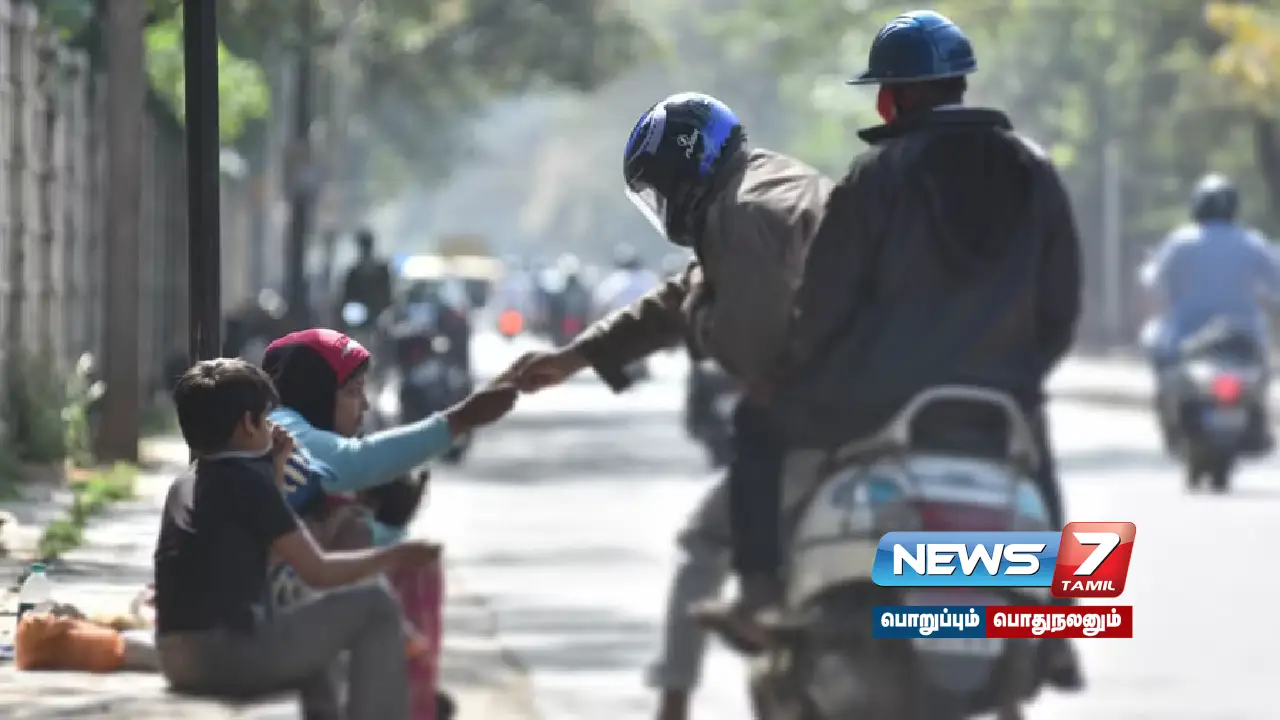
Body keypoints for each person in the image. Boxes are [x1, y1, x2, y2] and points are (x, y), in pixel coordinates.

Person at [767, 9, 1082, 687]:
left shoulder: (875, 177)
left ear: (897, 95)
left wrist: (803, 369)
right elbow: (1061, 307)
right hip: (1001, 398)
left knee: (766, 435)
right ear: (960, 84)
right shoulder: (1034, 171)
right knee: (1036, 463)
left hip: (876, 400)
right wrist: (1018, 373)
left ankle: (775, 599)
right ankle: (1056, 625)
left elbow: (824, 307)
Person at [498, 91, 831, 720]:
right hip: (883, 389)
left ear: (685, 170)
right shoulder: (774, 179)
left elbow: (745, 337)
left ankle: (676, 700)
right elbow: (685, 294)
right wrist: (577, 357)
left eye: (660, 188)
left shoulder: (741, 213)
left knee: (707, 538)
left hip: (821, 415)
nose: (664, 206)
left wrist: (704, 331)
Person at [154, 357, 439, 719]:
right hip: (226, 655)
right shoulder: (247, 482)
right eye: (266, 417)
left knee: (317, 660)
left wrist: (277, 465)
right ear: (247, 423)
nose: (274, 428)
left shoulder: (187, 482)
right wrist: (395, 556)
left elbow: (269, 550)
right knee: (376, 608)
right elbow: (317, 570)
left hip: (177, 657)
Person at [1140, 173, 1280, 448]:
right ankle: (1258, 424)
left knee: (1157, 355)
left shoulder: (1181, 242)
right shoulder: (1251, 242)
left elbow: (1153, 283)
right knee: (1261, 376)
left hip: (1186, 338)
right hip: (1244, 338)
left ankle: (1171, 426)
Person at [593, 243, 661, 320]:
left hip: (620, 323)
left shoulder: (613, 280)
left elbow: (600, 305)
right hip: (650, 321)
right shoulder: (650, 277)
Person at [342, 228, 395, 326]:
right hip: (358, 313)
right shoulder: (354, 272)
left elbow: (388, 293)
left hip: (379, 311)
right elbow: (346, 296)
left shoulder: (381, 270)